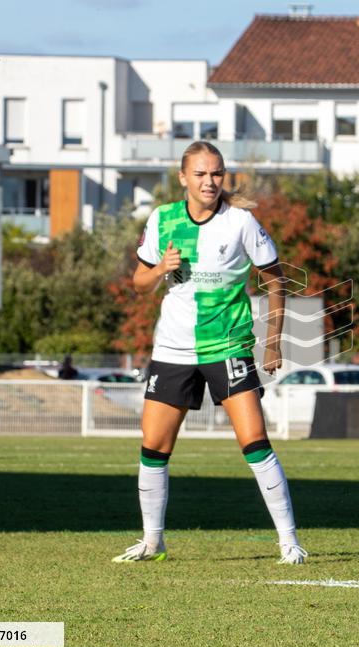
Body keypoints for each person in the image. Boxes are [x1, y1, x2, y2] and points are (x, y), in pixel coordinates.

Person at [112, 140, 307, 563]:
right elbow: (138, 283)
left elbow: (276, 280)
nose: (209, 181)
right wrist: (160, 269)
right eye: (200, 174)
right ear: (183, 177)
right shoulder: (162, 218)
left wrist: (272, 341)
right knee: (154, 446)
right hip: (173, 349)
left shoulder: (241, 222)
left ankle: (289, 542)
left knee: (255, 441)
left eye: (216, 173)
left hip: (229, 345)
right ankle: (152, 541)